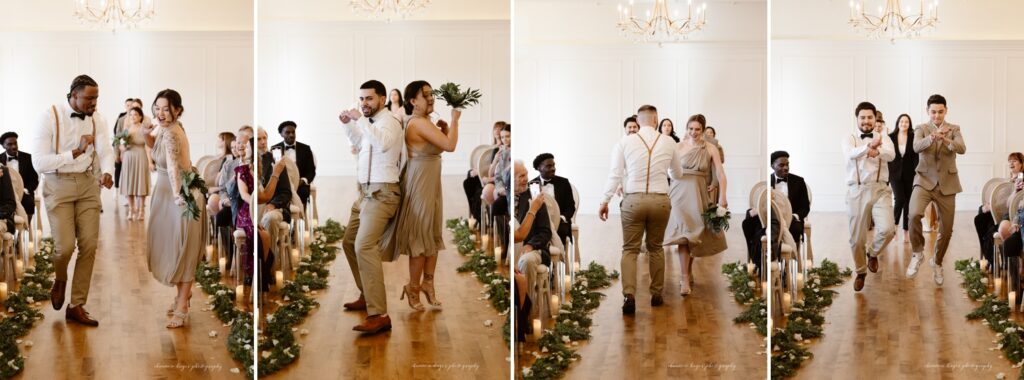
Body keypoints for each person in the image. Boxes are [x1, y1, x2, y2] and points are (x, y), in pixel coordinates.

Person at [33, 74, 114, 326]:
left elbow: (106, 150)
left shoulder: (97, 119)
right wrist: (76, 151)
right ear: (74, 95)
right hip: (58, 185)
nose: (94, 103)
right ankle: (60, 278)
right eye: (90, 98)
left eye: (97, 97)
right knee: (64, 247)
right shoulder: (49, 117)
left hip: (88, 184)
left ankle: (76, 304)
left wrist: (107, 171)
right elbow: (39, 163)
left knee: (89, 245)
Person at [381, 80, 460, 311]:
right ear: (413, 101)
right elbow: (450, 146)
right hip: (420, 182)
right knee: (420, 237)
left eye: (431, 93)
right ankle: (413, 287)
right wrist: (455, 120)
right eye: (425, 95)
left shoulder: (426, 121)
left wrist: (445, 130)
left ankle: (428, 283)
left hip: (431, 181)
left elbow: (441, 145)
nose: (431, 97)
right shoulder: (417, 122)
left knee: (432, 234)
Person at [599, 105, 682, 313]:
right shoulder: (669, 141)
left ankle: (629, 295)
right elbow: (677, 174)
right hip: (660, 200)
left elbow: (615, 174)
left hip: (633, 200)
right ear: (656, 119)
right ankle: (656, 293)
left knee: (630, 249)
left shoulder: (624, 142)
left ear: (638, 120)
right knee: (656, 247)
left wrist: (604, 201)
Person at [339, 79, 404, 334]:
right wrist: (348, 125)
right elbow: (361, 143)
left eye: (369, 98)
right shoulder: (371, 123)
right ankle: (367, 294)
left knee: (364, 245)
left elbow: (382, 144)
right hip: (365, 193)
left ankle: (379, 315)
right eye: (361, 99)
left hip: (383, 192)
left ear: (382, 99)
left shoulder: (390, 122)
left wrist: (361, 120)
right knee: (348, 241)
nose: (364, 103)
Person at [145, 89, 208, 328]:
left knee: (183, 249)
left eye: (166, 109)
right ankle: (183, 295)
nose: (160, 114)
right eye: (157, 108)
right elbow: (156, 148)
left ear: (178, 110)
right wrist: (146, 134)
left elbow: (173, 166)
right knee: (173, 247)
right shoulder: (167, 128)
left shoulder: (172, 133)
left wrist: (176, 194)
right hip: (166, 193)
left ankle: (182, 304)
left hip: (179, 195)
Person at [664, 114, 728, 296]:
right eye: (690, 129)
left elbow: (720, 174)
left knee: (693, 235)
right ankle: (684, 278)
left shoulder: (711, 148)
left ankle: (687, 272)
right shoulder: (677, 146)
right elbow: (666, 170)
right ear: (686, 129)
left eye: (697, 129)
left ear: (703, 130)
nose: (693, 132)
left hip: (699, 194)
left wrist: (723, 196)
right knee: (684, 235)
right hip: (678, 193)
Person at [906, 94, 967, 286]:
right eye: (933, 112)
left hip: (947, 183)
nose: (937, 115)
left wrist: (946, 139)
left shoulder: (954, 128)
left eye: (940, 112)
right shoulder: (921, 128)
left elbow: (962, 148)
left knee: (946, 230)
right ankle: (917, 253)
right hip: (924, 180)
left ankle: (937, 262)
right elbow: (916, 147)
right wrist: (933, 136)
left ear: (946, 110)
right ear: (927, 111)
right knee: (913, 214)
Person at [843, 102, 896, 291]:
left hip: (881, 189)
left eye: (870, 117)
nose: (866, 121)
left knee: (888, 230)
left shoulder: (884, 137)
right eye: (862, 117)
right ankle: (860, 271)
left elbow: (891, 155)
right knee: (857, 238)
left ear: (875, 118)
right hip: (857, 190)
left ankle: (872, 253)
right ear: (857, 119)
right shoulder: (849, 138)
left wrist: (878, 150)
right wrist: (868, 147)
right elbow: (850, 154)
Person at [976, 153, 1024, 265]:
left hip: (1008, 213)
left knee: (983, 221)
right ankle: (989, 258)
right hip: (1001, 210)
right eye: (1010, 161)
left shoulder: (1020, 179)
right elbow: (1002, 198)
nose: (1011, 163)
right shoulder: (1008, 180)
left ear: (1022, 164)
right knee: (980, 217)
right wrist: (990, 204)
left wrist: (993, 206)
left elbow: (1010, 204)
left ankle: (991, 260)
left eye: (1014, 161)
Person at [463, 121, 506, 222]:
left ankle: (477, 218)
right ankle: (474, 215)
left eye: (499, 129)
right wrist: (477, 170)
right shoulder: (491, 147)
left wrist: (479, 173)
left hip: (491, 178)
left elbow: (492, 169)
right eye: (495, 128)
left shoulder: (501, 149)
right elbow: (484, 163)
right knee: (468, 182)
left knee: (476, 188)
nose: (497, 131)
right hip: (486, 175)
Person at [531, 153, 576, 245]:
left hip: (560, 221)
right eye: (549, 166)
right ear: (539, 168)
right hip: (540, 222)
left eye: (553, 165)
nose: (553, 168)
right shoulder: (532, 184)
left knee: (561, 230)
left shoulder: (564, 183)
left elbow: (571, 207)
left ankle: (561, 253)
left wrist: (561, 218)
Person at [117, 106, 152, 221]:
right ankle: (131, 210)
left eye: (135, 114)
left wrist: (150, 162)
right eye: (131, 115)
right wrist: (123, 147)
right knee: (129, 184)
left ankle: (141, 210)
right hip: (128, 158)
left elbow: (148, 146)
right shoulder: (126, 130)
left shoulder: (143, 128)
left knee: (140, 184)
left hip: (140, 156)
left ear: (140, 116)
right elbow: (121, 146)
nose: (132, 117)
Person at [272, 121, 316, 207]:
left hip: (300, 185)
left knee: (303, 192)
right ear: (281, 134)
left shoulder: (305, 149)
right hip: (282, 184)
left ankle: (302, 213)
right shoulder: (275, 149)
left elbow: (311, 171)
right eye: (287, 132)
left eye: (293, 132)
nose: (291, 135)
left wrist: (303, 180)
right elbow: (274, 169)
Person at [888, 114, 918, 242]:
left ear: (909, 124)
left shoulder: (913, 137)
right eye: (901, 121)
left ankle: (906, 231)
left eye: (906, 122)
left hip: (909, 173)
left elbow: (916, 156)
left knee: (908, 202)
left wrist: (916, 172)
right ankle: (894, 227)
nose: (904, 124)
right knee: (899, 199)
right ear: (898, 123)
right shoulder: (890, 137)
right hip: (894, 173)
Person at [0, 132, 39, 223]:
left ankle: (26, 226)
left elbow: (34, 179)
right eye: (10, 144)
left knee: (29, 202)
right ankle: (8, 226)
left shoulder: (28, 158)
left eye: (15, 143)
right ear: (3, 146)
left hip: (24, 192)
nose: (14, 146)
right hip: (5, 194)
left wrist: (26, 190)